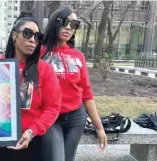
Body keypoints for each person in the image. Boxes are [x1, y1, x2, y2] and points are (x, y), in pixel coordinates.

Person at [0, 11, 61, 161]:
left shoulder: (45, 70)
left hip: (32, 141)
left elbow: (53, 107)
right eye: (27, 34)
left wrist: (32, 132)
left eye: (38, 37)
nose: (33, 40)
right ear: (14, 36)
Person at [40, 7, 107, 161]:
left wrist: (99, 127)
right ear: (55, 23)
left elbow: (87, 93)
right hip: (51, 117)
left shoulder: (78, 56)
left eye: (74, 24)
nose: (69, 27)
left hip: (76, 118)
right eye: (65, 22)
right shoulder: (40, 52)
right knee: (56, 158)